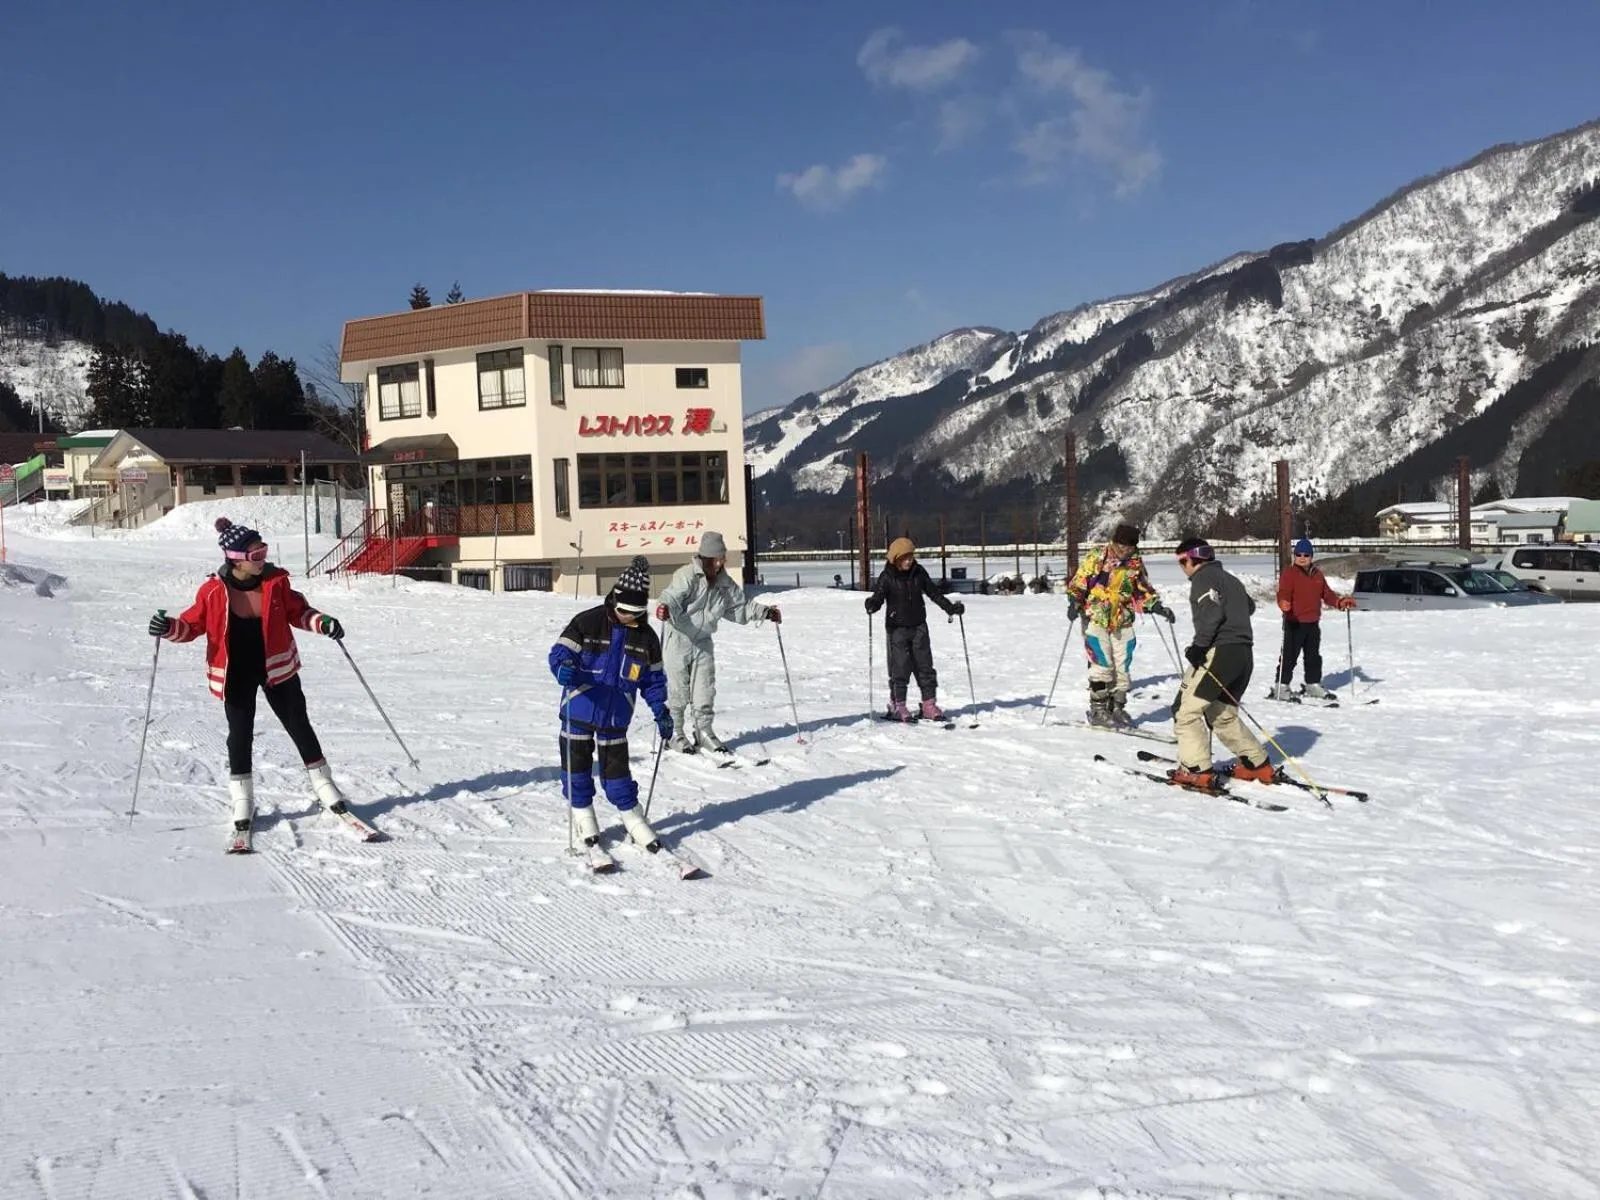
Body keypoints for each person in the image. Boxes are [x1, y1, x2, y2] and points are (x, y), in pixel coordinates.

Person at [147, 517, 349, 841]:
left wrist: (323, 622)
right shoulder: (213, 591)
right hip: (236, 672)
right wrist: (168, 627)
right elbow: (191, 626)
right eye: (256, 555)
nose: (262, 560)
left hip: (276, 667)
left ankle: (323, 782)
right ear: (236, 559)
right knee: (240, 734)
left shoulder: (275, 583)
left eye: (263, 551)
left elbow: (299, 612)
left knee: (298, 722)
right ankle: (242, 797)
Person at [549, 556, 672, 852]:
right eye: (623, 610)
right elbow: (560, 653)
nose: (627, 616)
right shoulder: (586, 622)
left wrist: (660, 709)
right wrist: (563, 668)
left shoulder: (646, 638)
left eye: (635, 612)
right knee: (577, 769)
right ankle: (583, 814)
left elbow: (653, 680)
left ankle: (633, 818)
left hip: (616, 717)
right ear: (614, 601)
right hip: (579, 708)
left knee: (617, 775)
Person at [654, 531, 780, 754]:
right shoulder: (687, 575)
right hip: (679, 639)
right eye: (717, 559)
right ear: (706, 558)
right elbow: (671, 597)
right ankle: (674, 734)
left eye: (723, 558)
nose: (721, 563)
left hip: (703, 642)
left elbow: (740, 607)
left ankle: (703, 732)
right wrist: (664, 608)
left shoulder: (724, 582)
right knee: (678, 691)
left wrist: (765, 612)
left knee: (704, 690)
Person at [1169, 537, 1275, 790]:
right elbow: (1249, 606)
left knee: (1185, 711)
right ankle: (1256, 764)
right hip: (1243, 655)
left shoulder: (1203, 578)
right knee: (1222, 714)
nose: (1182, 568)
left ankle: (1196, 769)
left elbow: (1212, 613)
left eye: (1182, 561)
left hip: (1220, 653)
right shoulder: (1231, 579)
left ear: (1192, 559)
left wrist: (1199, 646)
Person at [1064, 523, 1175, 727]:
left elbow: (1141, 588)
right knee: (1102, 663)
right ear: (1114, 542)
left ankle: (1117, 707)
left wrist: (1156, 606)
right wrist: (1074, 601)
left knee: (1122, 666)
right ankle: (1098, 709)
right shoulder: (1098, 556)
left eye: (1129, 547)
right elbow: (1080, 582)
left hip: (1122, 618)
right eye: (1121, 546)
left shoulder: (1134, 562)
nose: (1124, 550)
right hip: (1096, 616)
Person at [864, 537, 965, 722]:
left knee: (925, 666)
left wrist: (950, 608)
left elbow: (933, 593)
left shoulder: (918, 572)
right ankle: (898, 705)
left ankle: (929, 705)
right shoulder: (887, 576)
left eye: (911, 557)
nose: (909, 561)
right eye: (905, 558)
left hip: (919, 626)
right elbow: (878, 596)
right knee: (900, 668)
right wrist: (872, 604)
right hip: (897, 628)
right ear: (896, 558)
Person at [1273, 538, 1357, 700]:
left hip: (1312, 622)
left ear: (1311, 557)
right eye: (1298, 554)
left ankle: (1312, 684)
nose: (1302, 558)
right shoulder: (1289, 574)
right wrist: (1283, 602)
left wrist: (1339, 602)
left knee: (1313, 657)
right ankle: (1281, 686)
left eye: (1306, 555)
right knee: (1289, 656)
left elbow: (1327, 594)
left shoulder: (1317, 575)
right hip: (1295, 622)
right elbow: (1283, 592)